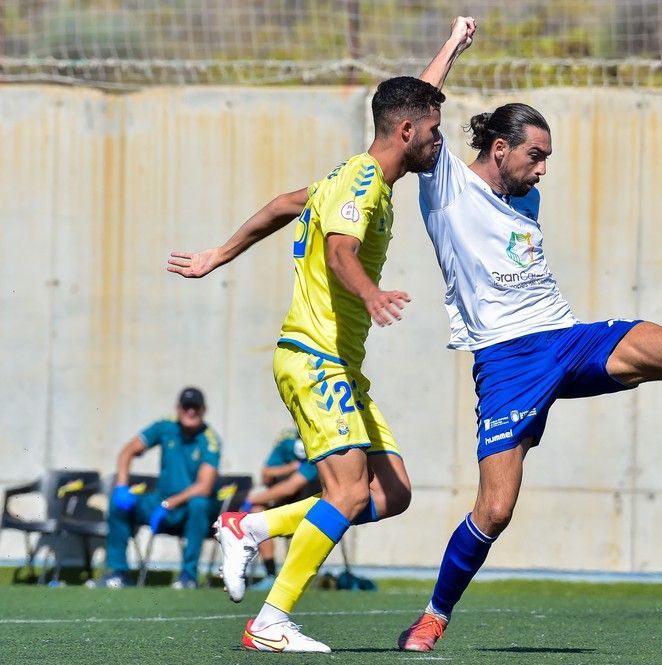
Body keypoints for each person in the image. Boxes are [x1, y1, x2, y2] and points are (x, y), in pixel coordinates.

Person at [396, 103, 662, 652]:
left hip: (566, 338)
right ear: (500, 149)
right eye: (536, 157)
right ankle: (434, 616)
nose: (542, 171)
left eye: (547, 159)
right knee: (495, 510)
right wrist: (454, 44)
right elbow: (418, 105)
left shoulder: (526, 199)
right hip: (507, 363)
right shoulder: (446, 187)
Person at [166, 17, 477, 653]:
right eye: (435, 132)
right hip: (316, 358)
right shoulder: (362, 184)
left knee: (392, 493)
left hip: (340, 364)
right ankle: (270, 620)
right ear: (407, 133)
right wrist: (371, 293)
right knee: (347, 490)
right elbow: (340, 251)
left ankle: (247, 526)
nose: (440, 142)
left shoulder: (353, 173)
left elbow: (285, 204)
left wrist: (217, 255)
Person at [90, 386, 221, 590]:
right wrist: (122, 485)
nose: (191, 411)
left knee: (200, 504)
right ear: (178, 408)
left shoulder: (210, 439)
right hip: (160, 500)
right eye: (187, 406)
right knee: (118, 503)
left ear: (204, 410)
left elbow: (204, 486)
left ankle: (188, 576)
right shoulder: (165, 426)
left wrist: (169, 504)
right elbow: (127, 451)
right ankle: (119, 572)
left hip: (186, 507)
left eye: (196, 407)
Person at [245, 429, 321, 591]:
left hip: (312, 511)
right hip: (285, 505)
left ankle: (296, 577)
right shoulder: (287, 440)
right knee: (257, 511)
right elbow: (266, 475)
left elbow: (290, 488)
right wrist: (290, 468)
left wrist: (249, 499)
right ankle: (271, 575)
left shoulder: (319, 444)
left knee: (255, 503)